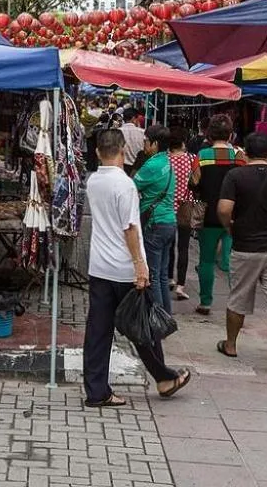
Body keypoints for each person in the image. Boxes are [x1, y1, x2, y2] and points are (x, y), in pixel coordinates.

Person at [82, 128, 191, 407]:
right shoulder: (125, 185)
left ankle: (97, 390)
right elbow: (130, 228)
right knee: (142, 327)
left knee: (98, 331)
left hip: (99, 267)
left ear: (97, 152)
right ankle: (164, 378)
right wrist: (140, 266)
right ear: (122, 151)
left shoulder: (93, 181)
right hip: (124, 268)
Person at [217, 132, 267, 376]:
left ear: (246, 153)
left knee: (238, 298)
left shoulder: (235, 175)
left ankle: (231, 345)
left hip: (245, 247)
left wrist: (229, 226)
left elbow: (223, 209)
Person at [192, 115, 243, 315]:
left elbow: (193, 184)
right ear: (231, 135)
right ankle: (236, 303)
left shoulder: (202, 156)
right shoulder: (239, 156)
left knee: (206, 259)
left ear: (210, 135)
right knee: (231, 260)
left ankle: (205, 302)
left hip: (208, 215)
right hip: (234, 215)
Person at [133, 126, 178, 314]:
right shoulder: (167, 162)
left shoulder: (152, 165)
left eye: (146, 140)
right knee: (161, 276)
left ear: (155, 144)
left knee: (152, 275)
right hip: (169, 222)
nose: (144, 143)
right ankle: (166, 315)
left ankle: (157, 318)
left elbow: (130, 186)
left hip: (155, 224)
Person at [166, 127, 198, 303]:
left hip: (167, 205)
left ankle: (169, 277)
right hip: (185, 206)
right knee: (184, 247)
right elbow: (197, 181)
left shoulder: (165, 160)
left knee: (169, 245)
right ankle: (181, 285)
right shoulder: (192, 158)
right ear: (184, 143)